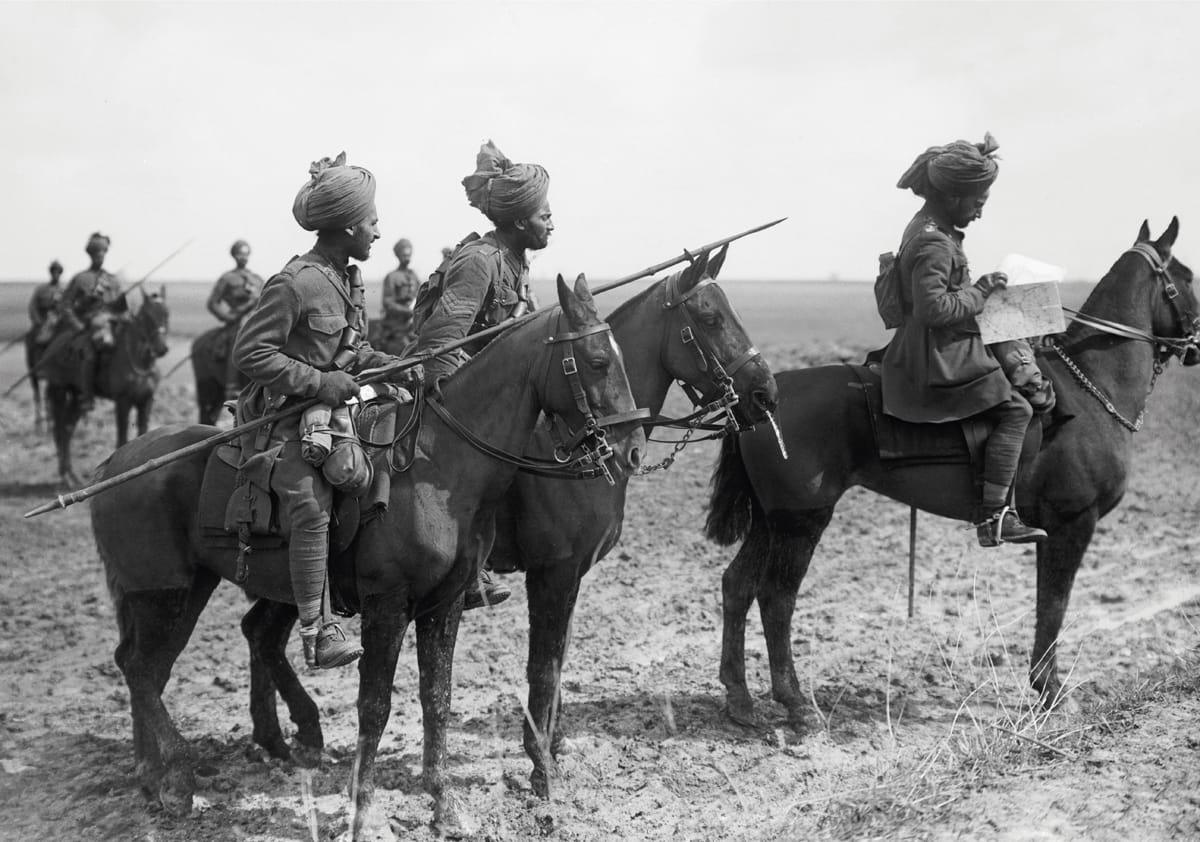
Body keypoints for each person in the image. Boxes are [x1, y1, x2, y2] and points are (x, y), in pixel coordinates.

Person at [233, 152, 412, 669]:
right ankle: (317, 630)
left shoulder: (346, 279)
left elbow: (353, 354)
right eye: (374, 221)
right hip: (285, 419)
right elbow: (252, 353)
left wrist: (398, 366)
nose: (378, 231)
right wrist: (319, 381)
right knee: (311, 504)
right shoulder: (296, 282)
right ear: (350, 224)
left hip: (337, 410)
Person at [879, 132, 1047, 548]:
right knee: (1017, 409)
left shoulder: (931, 226)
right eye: (978, 203)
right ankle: (994, 516)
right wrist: (984, 289)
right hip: (934, 357)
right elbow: (934, 310)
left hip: (941, 343)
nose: (979, 212)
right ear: (954, 197)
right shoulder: (935, 242)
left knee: (1031, 330)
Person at [410, 140, 551, 608]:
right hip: (457, 392)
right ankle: (472, 564)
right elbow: (441, 342)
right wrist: (472, 404)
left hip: (498, 389)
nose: (550, 221)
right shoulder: (479, 261)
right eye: (542, 214)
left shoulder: (515, 261)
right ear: (516, 221)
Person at [58, 232, 125, 412]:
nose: (100, 256)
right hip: (88, 328)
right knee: (89, 354)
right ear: (91, 254)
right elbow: (65, 306)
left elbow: (120, 306)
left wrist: (119, 315)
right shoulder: (80, 279)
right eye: (97, 253)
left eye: (103, 252)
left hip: (111, 325)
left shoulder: (112, 279)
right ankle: (87, 397)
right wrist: (78, 326)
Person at [207, 240, 264, 398]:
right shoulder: (227, 278)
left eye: (246, 254)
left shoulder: (257, 279)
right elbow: (212, 303)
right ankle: (232, 384)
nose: (243, 257)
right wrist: (227, 317)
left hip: (256, 318)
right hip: (237, 321)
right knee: (239, 336)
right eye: (240, 254)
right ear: (234, 256)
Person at [379, 238, 421, 351]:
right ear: (398, 255)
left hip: (413, 326)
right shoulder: (392, 277)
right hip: (396, 327)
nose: (407, 258)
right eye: (404, 255)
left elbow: (420, 296)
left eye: (409, 255)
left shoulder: (414, 276)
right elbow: (388, 303)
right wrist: (408, 311)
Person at [28, 260, 64, 344]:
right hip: (43, 322)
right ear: (51, 273)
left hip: (59, 323)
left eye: (58, 272)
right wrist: (38, 322)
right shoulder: (41, 289)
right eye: (54, 272)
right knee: (40, 341)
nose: (56, 274)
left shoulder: (64, 290)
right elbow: (32, 307)